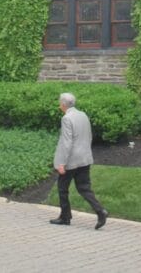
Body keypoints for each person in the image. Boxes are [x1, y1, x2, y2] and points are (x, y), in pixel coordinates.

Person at [50, 92, 108, 229]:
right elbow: (89, 136)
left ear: (63, 105)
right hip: (85, 158)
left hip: (71, 160)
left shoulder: (67, 119)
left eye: (60, 103)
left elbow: (66, 142)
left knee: (62, 188)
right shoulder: (83, 115)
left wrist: (62, 163)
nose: (59, 105)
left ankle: (65, 217)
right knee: (84, 188)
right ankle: (101, 211)